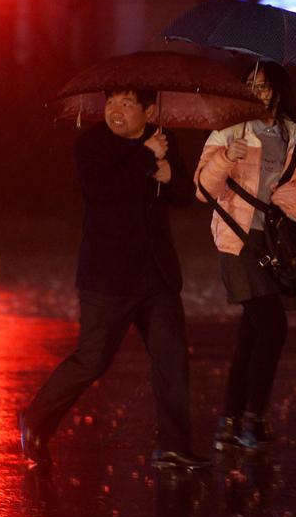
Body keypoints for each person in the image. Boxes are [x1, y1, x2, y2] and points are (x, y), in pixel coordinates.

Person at [18, 88, 211, 471]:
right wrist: (146, 157)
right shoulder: (91, 143)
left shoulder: (163, 138)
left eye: (126, 104)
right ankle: (36, 419)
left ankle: (173, 447)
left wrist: (170, 173)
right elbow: (100, 191)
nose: (115, 111)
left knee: (171, 360)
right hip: (107, 277)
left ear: (148, 110)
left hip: (155, 274)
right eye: (110, 103)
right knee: (92, 360)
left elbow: (185, 195)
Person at [194, 61, 296, 450]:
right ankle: (254, 419)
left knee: (251, 335)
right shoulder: (229, 129)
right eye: (252, 84)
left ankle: (229, 422)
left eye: (265, 85)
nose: (259, 92)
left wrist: (290, 197)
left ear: (280, 90)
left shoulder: (294, 134)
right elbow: (203, 188)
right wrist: (227, 157)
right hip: (237, 240)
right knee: (273, 327)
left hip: (273, 243)